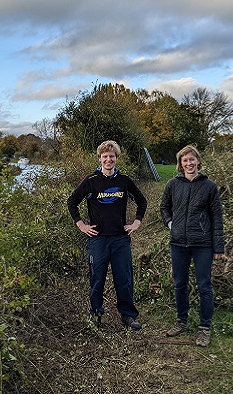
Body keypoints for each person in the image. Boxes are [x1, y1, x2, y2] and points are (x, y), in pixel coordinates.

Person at [67, 140, 147, 330]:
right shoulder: (91, 181)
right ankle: (95, 314)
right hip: (98, 239)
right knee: (97, 277)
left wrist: (136, 222)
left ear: (116, 158)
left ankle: (128, 316)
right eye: (105, 156)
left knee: (124, 277)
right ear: (100, 158)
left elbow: (142, 201)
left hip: (120, 238)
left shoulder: (124, 181)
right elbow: (71, 202)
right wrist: (81, 225)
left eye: (112, 156)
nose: (108, 159)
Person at [160, 145, 225, 347]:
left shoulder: (209, 186)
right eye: (185, 160)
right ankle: (182, 321)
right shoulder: (172, 184)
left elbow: (217, 217)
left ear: (198, 161)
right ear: (180, 164)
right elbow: (164, 207)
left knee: (204, 286)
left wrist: (219, 247)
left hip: (202, 244)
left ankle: (205, 328)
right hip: (178, 243)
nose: (189, 163)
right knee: (179, 284)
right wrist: (172, 225)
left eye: (192, 160)